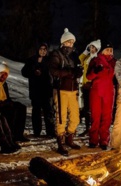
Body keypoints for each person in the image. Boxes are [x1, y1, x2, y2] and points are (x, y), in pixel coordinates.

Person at [49, 28, 83, 156]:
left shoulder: (74, 56)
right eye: (68, 42)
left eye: (72, 42)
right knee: (61, 117)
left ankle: (69, 138)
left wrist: (78, 72)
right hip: (61, 89)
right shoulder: (57, 54)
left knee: (75, 117)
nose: (70, 45)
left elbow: (77, 70)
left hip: (72, 90)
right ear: (63, 42)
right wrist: (69, 72)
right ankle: (61, 141)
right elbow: (54, 71)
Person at [86, 40, 116, 150]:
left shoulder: (114, 62)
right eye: (107, 50)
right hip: (96, 91)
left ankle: (104, 140)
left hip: (109, 92)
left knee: (107, 117)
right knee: (96, 116)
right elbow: (89, 76)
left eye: (111, 50)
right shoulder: (95, 60)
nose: (109, 52)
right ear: (102, 51)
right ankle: (93, 139)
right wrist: (95, 71)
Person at [0, 62, 29, 142]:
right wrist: (6, 103)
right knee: (11, 111)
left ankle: (18, 134)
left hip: (4, 103)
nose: (4, 76)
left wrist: (10, 103)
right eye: (2, 73)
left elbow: (7, 98)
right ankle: (10, 134)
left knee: (21, 107)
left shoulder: (4, 84)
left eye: (6, 74)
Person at [21, 43, 55, 138]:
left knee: (48, 112)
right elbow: (24, 72)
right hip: (35, 91)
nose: (43, 51)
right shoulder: (31, 60)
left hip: (47, 90)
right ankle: (37, 132)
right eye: (41, 49)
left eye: (45, 49)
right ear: (38, 49)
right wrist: (33, 71)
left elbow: (53, 73)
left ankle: (50, 132)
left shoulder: (49, 61)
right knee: (36, 112)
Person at [78, 39, 101, 137]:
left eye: (93, 47)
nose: (92, 49)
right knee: (86, 107)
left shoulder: (97, 59)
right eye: (91, 47)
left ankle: (92, 128)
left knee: (91, 109)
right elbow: (80, 59)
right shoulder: (87, 58)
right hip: (84, 85)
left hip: (91, 86)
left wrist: (91, 83)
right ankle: (88, 128)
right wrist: (85, 51)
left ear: (97, 49)